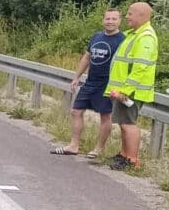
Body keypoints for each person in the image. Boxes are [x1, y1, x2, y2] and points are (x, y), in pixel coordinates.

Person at [52, 8, 124, 158]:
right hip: (90, 81)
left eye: (114, 19)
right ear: (103, 20)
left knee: (105, 116)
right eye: (107, 18)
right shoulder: (96, 36)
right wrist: (77, 76)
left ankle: (98, 149)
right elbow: (87, 57)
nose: (110, 22)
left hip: (107, 84)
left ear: (119, 21)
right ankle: (73, 146)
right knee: (76, 111)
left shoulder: (123, 40)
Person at [104, 2, 158, 170]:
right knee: (123, 122)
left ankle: (132, 160)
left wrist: (125, 91)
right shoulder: (134, 34)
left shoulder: (145, 37)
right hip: (123, 90)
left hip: (131, 91)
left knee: (128, 123)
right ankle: (124, 155)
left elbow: (140, 67)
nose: (127, 16)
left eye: (130, 13)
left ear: (141, 16)